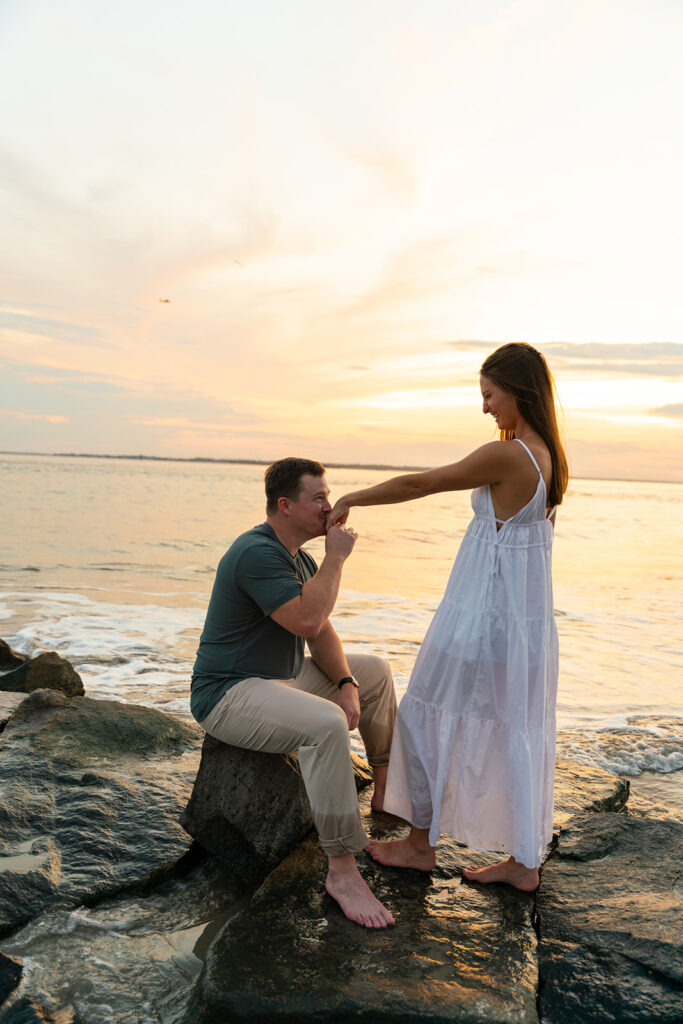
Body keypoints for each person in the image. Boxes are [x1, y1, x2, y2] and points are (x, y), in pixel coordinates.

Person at [327, 343, 568, 892]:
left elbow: (422, 483)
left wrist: (354, 496)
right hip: (521, 626)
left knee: (426, 712)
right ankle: (524, 862)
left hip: (481, 618)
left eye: (489, 394)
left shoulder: (509, 455)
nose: (485, 407)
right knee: (516, 727)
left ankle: (419, 846)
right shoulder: (549, 459)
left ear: (518, 389)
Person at [191, 457, 397, 928]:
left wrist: (346, 684)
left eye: (329, 495)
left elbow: (319, 631)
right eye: (319, 497)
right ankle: (342, 870)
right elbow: (306, 619)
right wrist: (337, 557)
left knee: (376, 673)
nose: (330, 506)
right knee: (326, 726)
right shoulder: (256, 552)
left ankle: (386, 792)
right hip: (228, 693)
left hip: (277, 681)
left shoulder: (299, 557)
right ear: (286, 505)